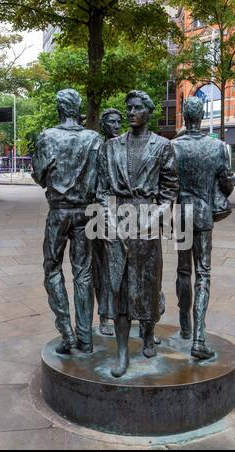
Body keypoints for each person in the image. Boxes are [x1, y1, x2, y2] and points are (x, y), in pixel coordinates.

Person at [96, 90, 179, 377]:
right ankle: (121, 352)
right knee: (118, 288)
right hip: (118, 220)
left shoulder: (163, 146)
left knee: (147, 284)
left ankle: (147, 334)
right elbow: (102, 189)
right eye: (128, 108)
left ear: (149, 111)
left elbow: (169, 190)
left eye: (136, 108)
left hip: (147, 221)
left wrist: (154, 216)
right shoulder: (111, 146)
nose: (130, 112)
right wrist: (110, 221)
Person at [32, 89, 102, 354]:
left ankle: (67, 332)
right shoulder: (93, 138)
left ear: (60, 109)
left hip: (59, 212)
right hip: (86, 212)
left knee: (52, 269)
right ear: (78, 109)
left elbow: (40, 176)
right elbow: (100, 177)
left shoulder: (47, 137)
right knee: (83, 273)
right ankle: (85, 337)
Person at [172, 96, 233, 360]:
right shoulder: (217, 147)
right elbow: (227, 185)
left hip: (181, 215)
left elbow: (167, 184)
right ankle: (199, 337)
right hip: (204, 214)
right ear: (201, 117)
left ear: (185, 118)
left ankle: (185, 323)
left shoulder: (172, 147)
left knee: (183, 270)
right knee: (203, 274)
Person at [94, 109, 123, 336]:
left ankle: (126, 315)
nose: (116, 125)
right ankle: (104, 316)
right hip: (102, 214)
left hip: (127, 213)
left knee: (128, 269)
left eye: (118, 122)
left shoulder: (125, 147)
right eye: (111, 122)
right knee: (103, 269)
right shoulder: (98, 149)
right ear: (103, 126)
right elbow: (98, 187)